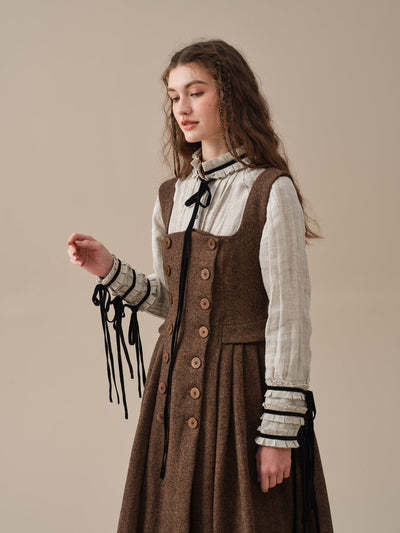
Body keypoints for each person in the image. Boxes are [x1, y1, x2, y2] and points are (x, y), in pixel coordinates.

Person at [67, 40, 333, 533]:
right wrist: (109, 269)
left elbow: (289, 317)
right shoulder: (172, 195)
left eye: (195, 92)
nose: (182, 108)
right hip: (172, 393)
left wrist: (279, 432)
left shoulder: (269, 191)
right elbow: (175, 302)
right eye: (174, 97)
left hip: (241, 391)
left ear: (229, 96)